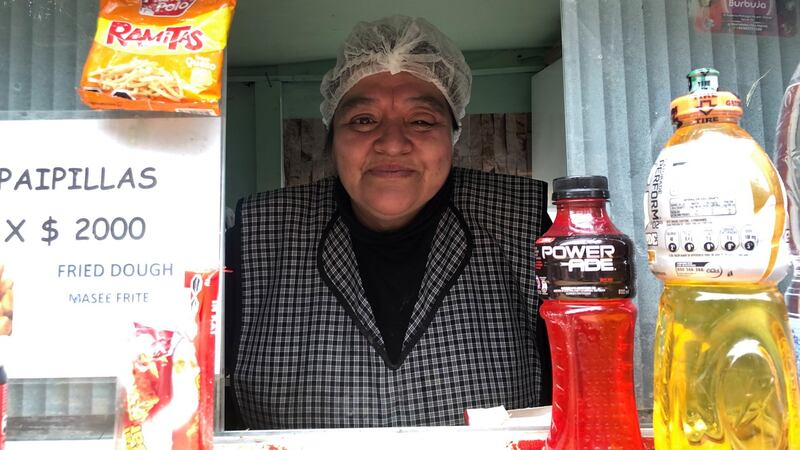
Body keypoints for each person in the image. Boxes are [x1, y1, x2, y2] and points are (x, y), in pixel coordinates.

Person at [226, 15, 552, 429]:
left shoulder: (524, 228)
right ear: (332, 137)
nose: (392, 143)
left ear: (452, 136)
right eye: (364, 120)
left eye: (421, 121)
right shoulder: (257, 237)